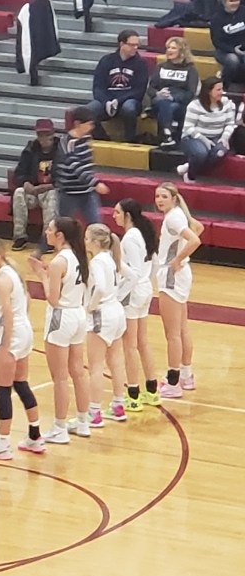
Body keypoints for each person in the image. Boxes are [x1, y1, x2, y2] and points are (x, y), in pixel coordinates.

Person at [0, 238, 44, 459]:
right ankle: (35, 436)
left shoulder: (2, 279)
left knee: (3, 389)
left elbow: (7, 312)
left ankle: (3, 444)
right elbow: (28, 299)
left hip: (12, 333)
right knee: (21, 383)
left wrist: (6, 342)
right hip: (24, 330)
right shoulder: (12, 272)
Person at [28, 217, 91, 443]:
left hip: (61, 317)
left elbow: (53, 299)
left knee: (60, 377)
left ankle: (59, 427)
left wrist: (42, 276)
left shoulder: (58, 262)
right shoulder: (79, 256)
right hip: (78, 315)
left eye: (50, 229)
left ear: (60, 235)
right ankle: (83, 422)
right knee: (78, 371)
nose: (46, 232)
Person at [154, 183, 203, 399]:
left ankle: (173, 383)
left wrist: (177, 258)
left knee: (172, 333)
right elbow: (198, 228)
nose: (159, 200)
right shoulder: (179, 214)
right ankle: (186, 375)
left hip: (172, 275)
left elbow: (195, 239)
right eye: (157, 196)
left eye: (164, 196)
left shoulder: (173, 218)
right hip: (181, 275)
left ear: (174, 198)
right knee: (182, 328)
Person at [113, 199, 160, 411]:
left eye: (117, 212)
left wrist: (118, 296)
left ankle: (133, 394)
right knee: (142, 341)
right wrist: (147, 283)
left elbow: (132, 273)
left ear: (128, 215)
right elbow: (154, 262)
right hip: (145, 290)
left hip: (133, 292)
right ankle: (152, 391)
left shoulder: (130, 238)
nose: (114, 215)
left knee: (130, 345)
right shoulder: (143, 232)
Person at [84, 223, 129, 428]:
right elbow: (131, 277)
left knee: (95, 366)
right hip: (117, 312)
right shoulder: (111, 258)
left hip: (102, 314)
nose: (85, 242)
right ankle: (118, 405)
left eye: (87, 238)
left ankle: (94, 413)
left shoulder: (97, 261)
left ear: (95, 242)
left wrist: (90, 307)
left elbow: (101, 288)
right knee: (116, 361)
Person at [86, 29, 148, 143]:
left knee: (129, 108)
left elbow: (139, 90)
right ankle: (102, 139)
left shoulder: (141, 63)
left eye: (137, 45)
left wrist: (118, 101)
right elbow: (98, 87)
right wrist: (106, 102)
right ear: (122, 44)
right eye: (132, 45)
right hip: (107, 101)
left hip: (128, 100)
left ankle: (130, 140)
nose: (135, 48)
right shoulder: (106, 60)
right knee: (88, 111)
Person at [54, 105, 109, 226]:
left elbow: (87, 163)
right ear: (78, 124)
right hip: (69, 192)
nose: (91, 127)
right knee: (63, 225)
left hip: (87, 191)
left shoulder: (86, 138)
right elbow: (76, 167)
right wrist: (95, 183)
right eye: (89, 124)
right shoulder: (67, 142)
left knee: (96, 225)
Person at [11, 118, 60, 250]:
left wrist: (50, 185)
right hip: (33, 190)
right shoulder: (30, 150)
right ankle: (19, 236)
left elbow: (66, 175)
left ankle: (47, 238)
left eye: (47, 134)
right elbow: (18, 174)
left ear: (53, 134)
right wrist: (25, 183)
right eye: (40, 135)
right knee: (19, 192)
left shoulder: (61, 150)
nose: (44, 138)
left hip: (51, 189)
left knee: (53, 194)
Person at [177, 76, 236, 183]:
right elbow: (188, 127)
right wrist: (203, 139)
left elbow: (230, 123)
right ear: (208, 91)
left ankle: (190, 166)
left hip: (217, 136)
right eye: (218, 90)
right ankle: (190, 176)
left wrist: (225, 137)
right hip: (194, 137)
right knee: (201, 153)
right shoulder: (194, 105)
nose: (222, 92)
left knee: (220, 153)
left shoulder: (227, 103)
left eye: (222, 89)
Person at [147, 36, 199, 148]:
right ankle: (167, 134)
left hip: (179, 103)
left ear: (182, 51)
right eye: (168, 48)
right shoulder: (160, 67)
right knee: (164, 102)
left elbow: (190, 93)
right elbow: (150, 89)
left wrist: (173, 98)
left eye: (173, 48)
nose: (169, 50)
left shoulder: (190, 70)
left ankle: (166, 135)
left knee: (169, 105)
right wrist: (157, 93)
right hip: (159, 100)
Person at [210, 0, 245, 86]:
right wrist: (234, 50)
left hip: (243, 47)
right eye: (231, 1)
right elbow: (217, 42)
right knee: (233, 60)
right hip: (224, 50)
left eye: (237, 0)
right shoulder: (216, 18)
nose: (235, 3)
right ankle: (224, 85)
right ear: (224, 1)